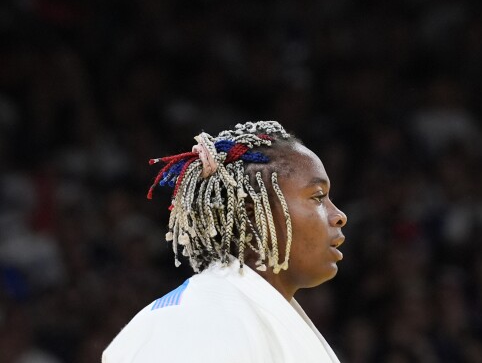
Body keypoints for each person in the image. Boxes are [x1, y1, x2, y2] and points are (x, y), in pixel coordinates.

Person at [102, 120, 348, 362]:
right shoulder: (197, 323)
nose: (339, 216)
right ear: (254, 214)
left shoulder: (250, 312)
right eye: (318, 197)